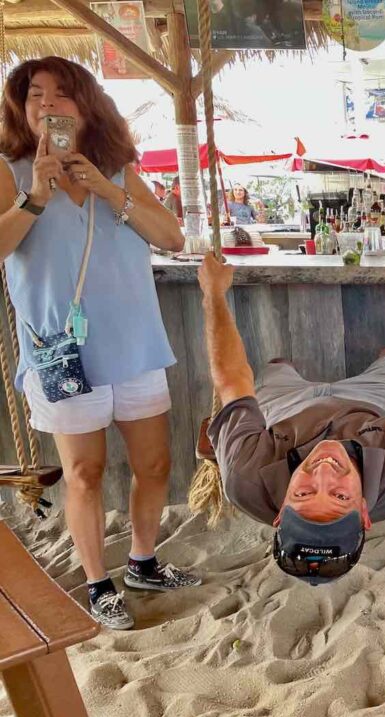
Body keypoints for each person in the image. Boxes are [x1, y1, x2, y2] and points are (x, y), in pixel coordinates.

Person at [0, 57, 198, 630]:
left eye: (62, 94)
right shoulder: (10, 171)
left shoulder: (116, 168)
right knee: (84, 472)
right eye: (35, 94)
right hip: (62, 351)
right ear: (21, 107)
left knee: (154, 464)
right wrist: (35, 197)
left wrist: (108, 189)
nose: (48, 104)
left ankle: (143, 561)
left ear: (86, 106)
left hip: (134, 343)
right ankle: (96, 583)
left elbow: (172, 236)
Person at [197, 247, 385, 585]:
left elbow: (232, 381)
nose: (324, 472)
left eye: (303, 493)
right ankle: (381, 360)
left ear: (279, 513)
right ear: (364, 512)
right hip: (368, 409)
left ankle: (286, 370)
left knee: (277, 365)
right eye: (340, 496)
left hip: (287, 413)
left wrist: (213, 293)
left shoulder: (245, 477)